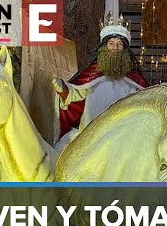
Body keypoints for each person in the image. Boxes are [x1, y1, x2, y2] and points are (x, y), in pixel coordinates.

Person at [52, 13, 149, 150]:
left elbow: (145, 102)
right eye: (111, 44)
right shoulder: (91, 73)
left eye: (119, 45)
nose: (115, 48)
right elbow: (77, 95)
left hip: (123, 139)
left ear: (125, 50)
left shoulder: (135, 81)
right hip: (92, 137)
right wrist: (64, 90)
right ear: (104, 47)